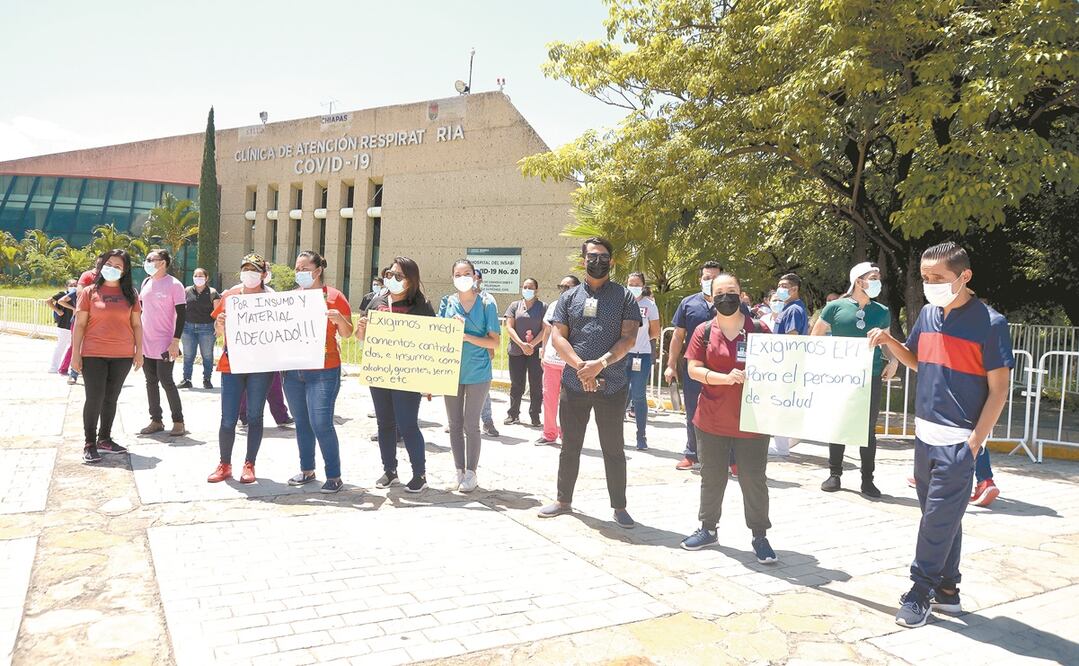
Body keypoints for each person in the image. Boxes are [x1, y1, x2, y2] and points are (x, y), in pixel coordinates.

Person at [868, 241, 1013, 628]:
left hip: (958, 441)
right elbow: (918, 361)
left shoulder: (990, 323)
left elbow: (999, 389)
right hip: (924, 437)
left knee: (935, 521)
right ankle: (948, 590)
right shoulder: (929, 315)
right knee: (942, 519)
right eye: (925, 277)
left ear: (964, 276)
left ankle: (920, 590)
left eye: (938, 277)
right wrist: (890, 342)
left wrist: (975, 442)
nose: (930, 284)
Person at [537, 237, 641, 528]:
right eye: (592, 256)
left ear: (612, 261)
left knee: (613, 449)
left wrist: (601, 364)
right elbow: (558, 336)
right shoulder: (569, 298)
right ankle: (563, 500)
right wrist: (581, 367)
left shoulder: (624, 297)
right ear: (583, 260)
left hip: (613, 383)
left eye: (603, 256)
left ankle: (619, 507)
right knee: (570, 445)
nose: (598, 261)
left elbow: (629, 338)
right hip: (574, 382)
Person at [679, 272, 777, 563]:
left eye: (731, 291)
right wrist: (723, 378)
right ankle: (708, 529)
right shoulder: (704, 331)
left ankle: (760, 536)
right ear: (711, 297)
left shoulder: (759, 329)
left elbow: (778, 366)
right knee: (712, 476)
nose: (725, 297)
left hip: (752, 421)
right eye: (719, 292)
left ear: (741, 293)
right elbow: (693, 368)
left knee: (753, 479)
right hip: (711, 420)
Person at [813, 262, 898, 498]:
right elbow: (815, 337)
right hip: (840, 378)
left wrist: (893, 361)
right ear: (858, 281)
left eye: (878, 276)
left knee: (868, 429)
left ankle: (867, 479)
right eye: (873, 277)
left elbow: (887, 341)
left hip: (870, 376)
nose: (877, 281)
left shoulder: (881, 311)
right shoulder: (834, 307)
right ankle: (834, 474)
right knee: (838, 424)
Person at [356, 256, 435, 493]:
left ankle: (419, 474)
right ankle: (390, 471)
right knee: (385, 424)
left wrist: (430, 379)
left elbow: (432, 343)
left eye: (398, 276)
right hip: (380, 372)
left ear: (411, 281)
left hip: (408, 375)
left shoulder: (422, 306)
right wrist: (361, 332)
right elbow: (363, 339)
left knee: (408, 423)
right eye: (389, 275)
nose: (392, 279)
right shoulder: (377, 301)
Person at [283, 250, 353, 493]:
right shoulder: (290, 298)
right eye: (297, 269)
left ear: (318, 270)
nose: (299, 273)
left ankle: (334, 475)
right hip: (293, 372)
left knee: (321, 423)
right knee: (302, 422)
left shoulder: (334, 296)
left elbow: (347, 333)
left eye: (304, 268)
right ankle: (307, 470)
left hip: (324, 370)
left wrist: (339, 319)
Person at [207, 254, 277, 484]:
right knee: (228, 417)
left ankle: (250, 464)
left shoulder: (273, 299)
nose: (249, 273)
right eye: (245, 268)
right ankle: (224, 463)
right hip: (232, 364)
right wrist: (219, 325)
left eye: (254, 269)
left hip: (261, 366)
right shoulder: (230, 295)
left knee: (255, 416)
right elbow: (218, 331)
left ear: (264, 274)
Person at [71, 250, 144, 463]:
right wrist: (76, 354)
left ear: (125, 270)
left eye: (118, 266)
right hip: (93, 353)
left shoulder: (131, 293)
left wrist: (139, 351)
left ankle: (105, 439)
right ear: (102, 265)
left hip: (122, 355)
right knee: (94, 398)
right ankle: (89, 443)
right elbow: (80, 325)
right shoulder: (89, 292)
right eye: (109, 263)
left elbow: (137, 324)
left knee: (111, 398)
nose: (112, 268)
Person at [439, 259, 501, 492]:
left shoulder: (487, 303)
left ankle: (472, 473)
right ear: (453, 277)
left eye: (467, 273)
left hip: (478, 371)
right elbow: (437, 336)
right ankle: (459, 471)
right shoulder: (447, 302)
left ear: (475, 276)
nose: (462, 277)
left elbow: (494, 340)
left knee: (471, 424)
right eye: (458, 273)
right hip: (450, 371)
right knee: (454, 423)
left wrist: (466, 336)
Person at [665, 260, 723, 471]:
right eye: (707, 278)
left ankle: (730, 458)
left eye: (715, 278)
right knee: (693, 410)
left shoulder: (731, 304)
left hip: (723, 368)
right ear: (700, 280)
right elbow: (678, 336)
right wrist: (671, 365)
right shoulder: (688, 303)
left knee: (725, 411)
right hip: (694, 368)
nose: (710, 281)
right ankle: (693, 454)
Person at [137, 249, 187, 437]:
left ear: (164, 262)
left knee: (166, 380)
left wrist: (175, 341)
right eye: (147, 259)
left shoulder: (175, 285)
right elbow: (141, 310)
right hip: (146, 341)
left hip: (165, 342)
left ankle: (178, 421)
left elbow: (182, 315)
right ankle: (156, 420)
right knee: (150, 381)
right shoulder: (146, 282)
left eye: (152, 259)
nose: (148, 262)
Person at [535, 275, 580, 446]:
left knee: (570, 401)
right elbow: (547, 331)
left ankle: (568, 434)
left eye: (568, 287)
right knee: (549, 398)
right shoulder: (554, 305)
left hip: (571, 363)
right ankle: (549, 433)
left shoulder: (582, 306)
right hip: (551, 361)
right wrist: (544, 351)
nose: (564, 290)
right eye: (561, 287)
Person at [771, 272, 810, 456]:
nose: (781, 289)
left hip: (786, 365)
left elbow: (792, 337)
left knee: (781, 405)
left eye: (785, 286)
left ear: (795, 289)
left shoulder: (793, 310)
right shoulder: (789, 308)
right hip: (787, 365)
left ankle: (782, 447)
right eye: (779, 285)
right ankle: (785, 443)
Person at [504, 277, 545, 427]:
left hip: (535, 352)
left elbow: (545, 329)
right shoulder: (514, 306)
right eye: (525, 287)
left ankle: (535, 415)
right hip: (516, 350)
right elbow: (509, 327)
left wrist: (532, 345)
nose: (527, 290)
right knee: (516, 384)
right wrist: (522, 344)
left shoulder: (542, 307)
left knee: (536, 384)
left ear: (536, 290)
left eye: (530, 287)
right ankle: (513, 414)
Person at [626, 272, 660, 450]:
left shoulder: (650, 305)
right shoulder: (621, 302)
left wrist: (641, 341)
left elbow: (655, 331)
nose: (633, 287)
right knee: (619, 393)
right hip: (621, 355)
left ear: (643, 285)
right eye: (630, 283)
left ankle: (641, 435)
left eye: (637, 284)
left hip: (642, 355)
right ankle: (614, 433)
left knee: (638, 395)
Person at [178, 267, 220, 389]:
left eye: (201, 276)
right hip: (188, 328)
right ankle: (187, 379)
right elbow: (180, 309)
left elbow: (217, 312)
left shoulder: (212, 293)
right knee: (188, 355)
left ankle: (207, 379)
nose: (198, 278)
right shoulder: (186, 291)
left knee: (207, 355)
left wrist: (218, 327)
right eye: (195, 276)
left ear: (206, 278)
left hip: (206, 328)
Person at [473, 269, 501, 437]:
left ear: (480, 280)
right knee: (459, 389)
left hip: (482, 352)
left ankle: (487, 421)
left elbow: (492, 331)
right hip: (462, 354)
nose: (471, 280)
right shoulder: (455, 299)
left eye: (475, 277)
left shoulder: (487, 300)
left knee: (482, 389)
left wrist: (490, 349)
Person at [45, 279, 78, 374]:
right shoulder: (62, 294)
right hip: (63, 324)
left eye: (75, 284)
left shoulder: (76, 294)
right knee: (61, 346)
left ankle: (69, 368)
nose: (74, 286)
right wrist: (57, 311)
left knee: (71, 348)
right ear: (67, 286)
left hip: (73, 324)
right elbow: (48, 301)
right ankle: (53, 367)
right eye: (71, 285)